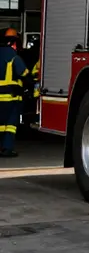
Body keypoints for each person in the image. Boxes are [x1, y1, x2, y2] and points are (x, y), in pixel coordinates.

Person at [0, 28, 32, 158]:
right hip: (10, 97)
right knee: (10, 125)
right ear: (13, 43)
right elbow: (24, 74)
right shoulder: (14, 57)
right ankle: (7, 149)